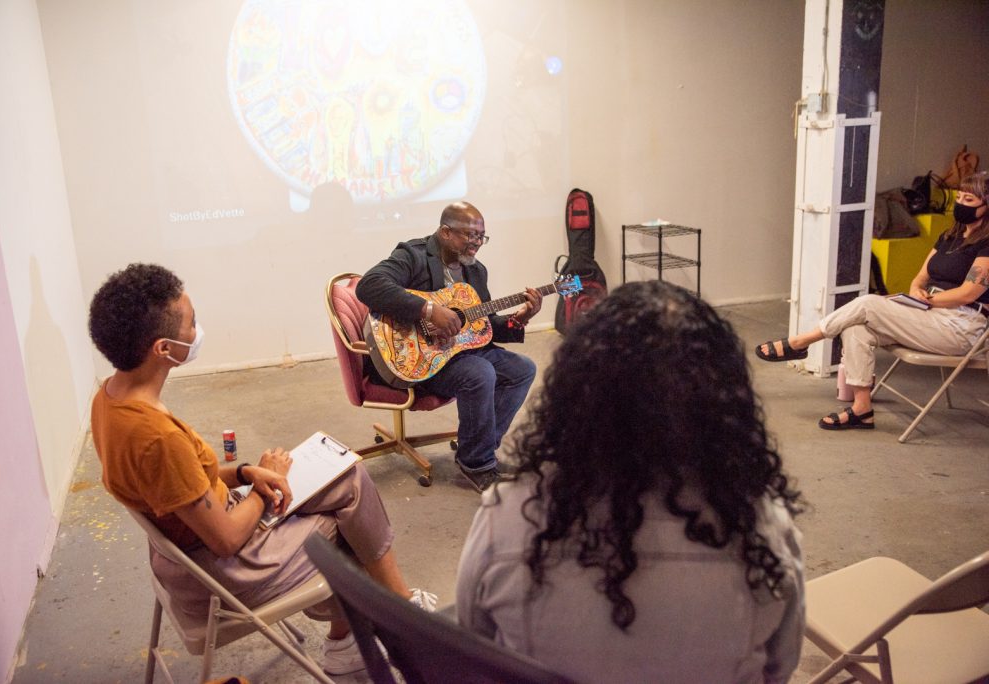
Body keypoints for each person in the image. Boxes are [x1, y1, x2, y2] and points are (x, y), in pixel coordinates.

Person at [87, 263, 435, 676]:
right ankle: (398, 620)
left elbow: (185, 481)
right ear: (163, 349)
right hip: (221, 572)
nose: (198, 330)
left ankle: (362, 630)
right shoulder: (157, 438)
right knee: (346, 520)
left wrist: (249, 472)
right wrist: (257, 494)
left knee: (348, 477)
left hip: (189, 546)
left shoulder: (110, 399)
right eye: (191, 323)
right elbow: (227, 538)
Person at [455, 280, 804, 683]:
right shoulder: (764, 527)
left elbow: (473, 648)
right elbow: (779, 669)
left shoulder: (507, 515)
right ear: (723, 401)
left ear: (574, 394)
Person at [756, 171, 989, 430]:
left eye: (968, 200)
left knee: (868, 303)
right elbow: (920, 278)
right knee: (856, 327)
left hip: (961, 326)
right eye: (959, 197)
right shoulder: (949, 236)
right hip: (930, 313)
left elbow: (969, 292)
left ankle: (801, 342)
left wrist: (930, 302)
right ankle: (862, 409)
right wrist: (916, 293)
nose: (960, 204)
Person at [357, 201, 543, 492]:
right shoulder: (413, 255)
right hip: (420, 356)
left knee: (522, 369)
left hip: (460, 351)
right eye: (470, 236)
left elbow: (482, 324)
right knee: (480, 372)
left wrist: (518, 320)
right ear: (445, 232)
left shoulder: (476, 271)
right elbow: (369, 286)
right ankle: (476, 464)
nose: (477, 244)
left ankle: (479, 446)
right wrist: (428, 310)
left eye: (481, 236)